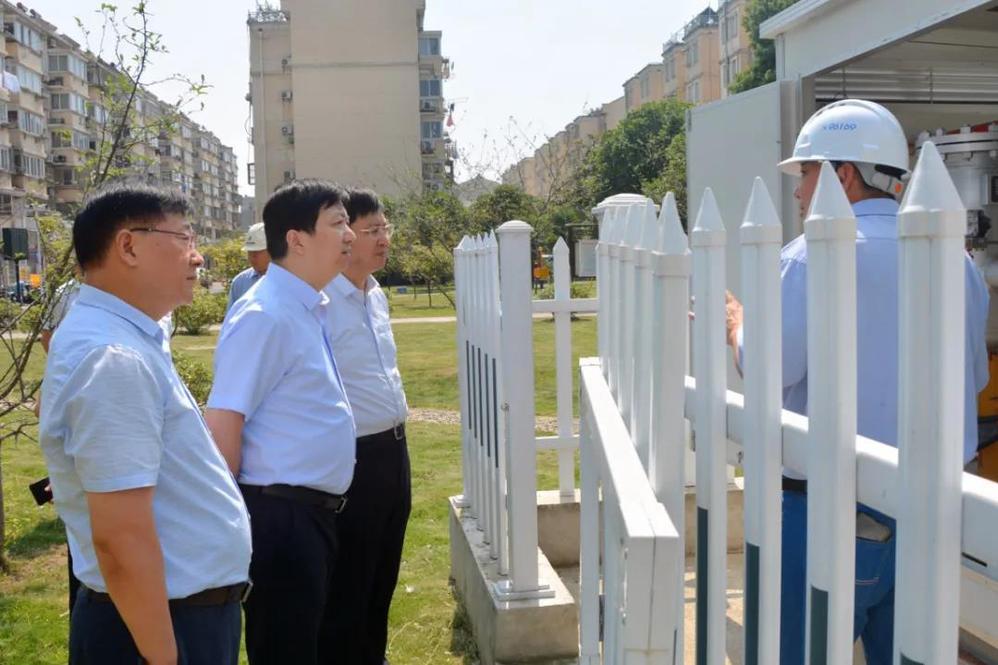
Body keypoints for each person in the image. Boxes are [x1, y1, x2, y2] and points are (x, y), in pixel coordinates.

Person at [726, 99, 990, 665]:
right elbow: (973, 377)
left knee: (795, 652)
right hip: (930, 519)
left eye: (805, 173)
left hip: (826, 513)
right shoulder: (957, 262)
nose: (799, 193)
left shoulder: (809, 257)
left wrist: (737, 326)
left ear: (843, 175)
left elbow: (771, 369)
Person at [38, 183, 252, 665]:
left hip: (166, 617)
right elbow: (121, 538)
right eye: (184, 238)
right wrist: (164, 655)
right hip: (154, 629)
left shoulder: (126, 338)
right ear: (129, 246)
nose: (198, 256)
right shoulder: (112, 357)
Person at [204, 180, 357, 665]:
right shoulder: (264, 314)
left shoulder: (302, 306)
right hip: (281, 519)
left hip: (310, 516)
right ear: (296, 239)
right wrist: (228, 524)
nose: (350, 235)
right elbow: (224, 422)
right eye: (337, 223)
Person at [324, 189, 410, 665]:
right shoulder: (322, 302)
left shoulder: (375, 295)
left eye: (385, 228)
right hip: (354, 456)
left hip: (395, 450)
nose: (383, 239)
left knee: (384, 575)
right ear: (345, 235)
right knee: (351, 581)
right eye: (372, 230)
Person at [226, 222, 270, 311]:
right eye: (249, 252)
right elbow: (232, 317)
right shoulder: (240, 282)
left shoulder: (289, 280)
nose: (252, 257)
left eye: (257, 252)